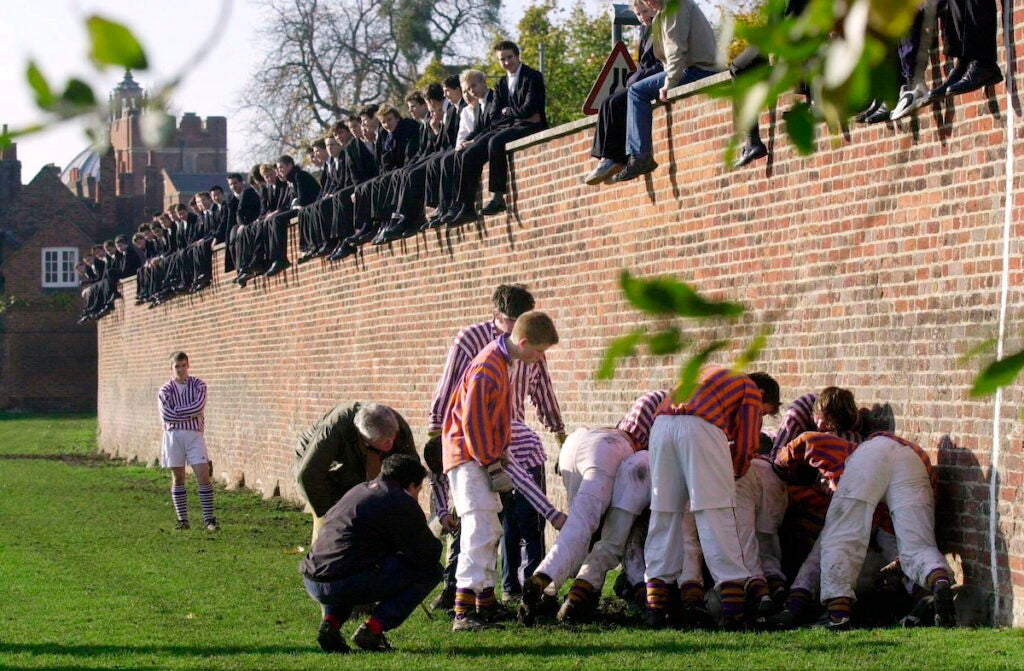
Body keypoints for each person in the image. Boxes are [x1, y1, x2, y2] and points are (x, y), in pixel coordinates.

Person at [428, 283, 566, 603]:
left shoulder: (510, 360)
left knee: (490, 527)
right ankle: (461, 601)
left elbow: (504, 419)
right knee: (476, 528)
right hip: (470, 453)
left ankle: (487, 599)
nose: (540, 360)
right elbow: (472, 419)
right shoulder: (487, 365)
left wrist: (550, 512)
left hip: (492, 447)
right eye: (539, 352)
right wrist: (490, 461)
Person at [643, 367, 779, 629]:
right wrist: (736, 471)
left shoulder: (706, 373)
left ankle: (655, 609)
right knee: (717, 517)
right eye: (764, 412)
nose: (761, 416)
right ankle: (733, 611)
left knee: (664, 515)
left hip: (661, 427)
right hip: (701, 429)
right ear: (761, 393)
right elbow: (748, 440)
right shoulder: (749, 389)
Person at [520, 389, 668, 625]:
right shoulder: (671, 404)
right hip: (615, 450)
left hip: (578, 442)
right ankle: (548, 580)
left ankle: (553, 590)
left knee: (580, 526)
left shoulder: (652, 399)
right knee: (604, 537)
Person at [300, 453, 442, 653]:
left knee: (348, 564)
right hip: (343, 582)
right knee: (432, 571)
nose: (417, 495)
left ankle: (330, 625)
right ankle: (372, 630)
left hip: (313, 577)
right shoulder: (399, 501)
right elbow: (428, 554)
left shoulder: (359, 490)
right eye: (418, 489)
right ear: (411, 485)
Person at [817, 431, 956, 630]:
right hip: (912, 461)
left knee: (842, 533)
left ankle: (837, 614)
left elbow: (807, 441)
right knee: (918, 545)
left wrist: (781, 460)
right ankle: (939, 579)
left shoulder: (851, 456)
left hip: (871, 455)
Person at [611, 0, 719, 182]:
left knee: (637, 92)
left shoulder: (675, 7)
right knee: (634, 89)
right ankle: (638, 154)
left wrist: (670, 83)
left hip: (699, 69)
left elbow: (676, 51)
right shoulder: (664, 11)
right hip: (691, 67)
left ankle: (640, 156)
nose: (647, 3)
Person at [444, 41, 548, 227]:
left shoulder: (533, 77)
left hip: (531, 127)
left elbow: (531, 107)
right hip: (512, 126)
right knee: (469, 153)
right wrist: (513, 114)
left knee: (496, 142)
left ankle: (498, 196)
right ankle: (465, 206)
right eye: (502, 59)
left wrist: (508, 112)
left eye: (509, 57)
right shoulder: (501, 83)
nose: (507, 62)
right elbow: (494, 116)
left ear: (517, 56)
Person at [295, 402, 417, 543]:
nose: (390, 445)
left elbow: (411, 472)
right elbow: (309, 475)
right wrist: (333, 515)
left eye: (392, 438)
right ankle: (324, 554)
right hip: (321, 466)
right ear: (363, 436)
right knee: (332, 530)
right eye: (385, 441)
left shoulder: (397, 426)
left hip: (361, 456)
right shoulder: (335, 428)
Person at [585, 0, 661, 185]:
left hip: (658, 78)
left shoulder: (661, 26)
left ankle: (618, 158)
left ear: (653, 8)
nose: (642, 17)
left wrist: (637, 77)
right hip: (644, 78)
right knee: (607, 102)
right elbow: (643, 63)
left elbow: (663, 63)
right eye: (638, 14)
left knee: (619, 102)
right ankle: (605, 159)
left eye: (645, 11)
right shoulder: (644, 31)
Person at [157, 351, 217, 531]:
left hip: (194, 434)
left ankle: (209, 519)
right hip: (173, 436)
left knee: (203, 474)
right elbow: (166, 415)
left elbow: (199, 407)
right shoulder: (165, 390)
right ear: (171, 368)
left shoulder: (199, 385)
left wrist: (178, 412)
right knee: (178, 477)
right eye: (177, 366)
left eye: (183, 365)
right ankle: (182, 519)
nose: (181, 369)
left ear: (188, 365)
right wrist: (187, 414)